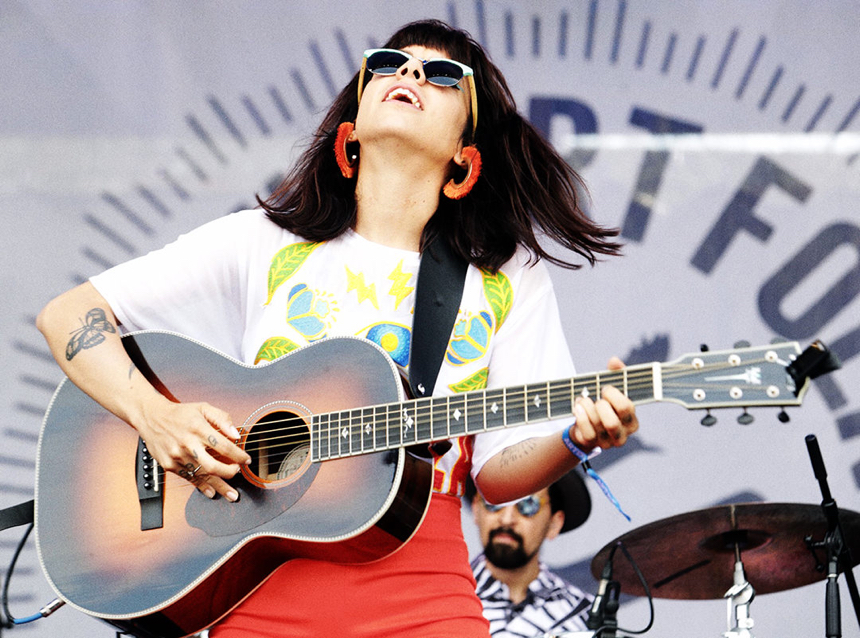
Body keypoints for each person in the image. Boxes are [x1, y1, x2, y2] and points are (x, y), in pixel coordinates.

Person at [36, 18, 639, 638]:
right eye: (388, 63)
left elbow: (493, 472)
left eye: (442, 74)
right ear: (351, 129)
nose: (408, 74)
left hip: (425, 596)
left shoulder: (505, 279)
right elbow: (67, 317)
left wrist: (576, 437)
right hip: (260, 592)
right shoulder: (263, 243)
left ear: (466, 154)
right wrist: (154, 417)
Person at [468, 473, 596, 637]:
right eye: (493, 501)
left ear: (554, 524)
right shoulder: (442, 597)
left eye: (527, 505)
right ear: (475, 509)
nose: (507, 519)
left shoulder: (583, 612)